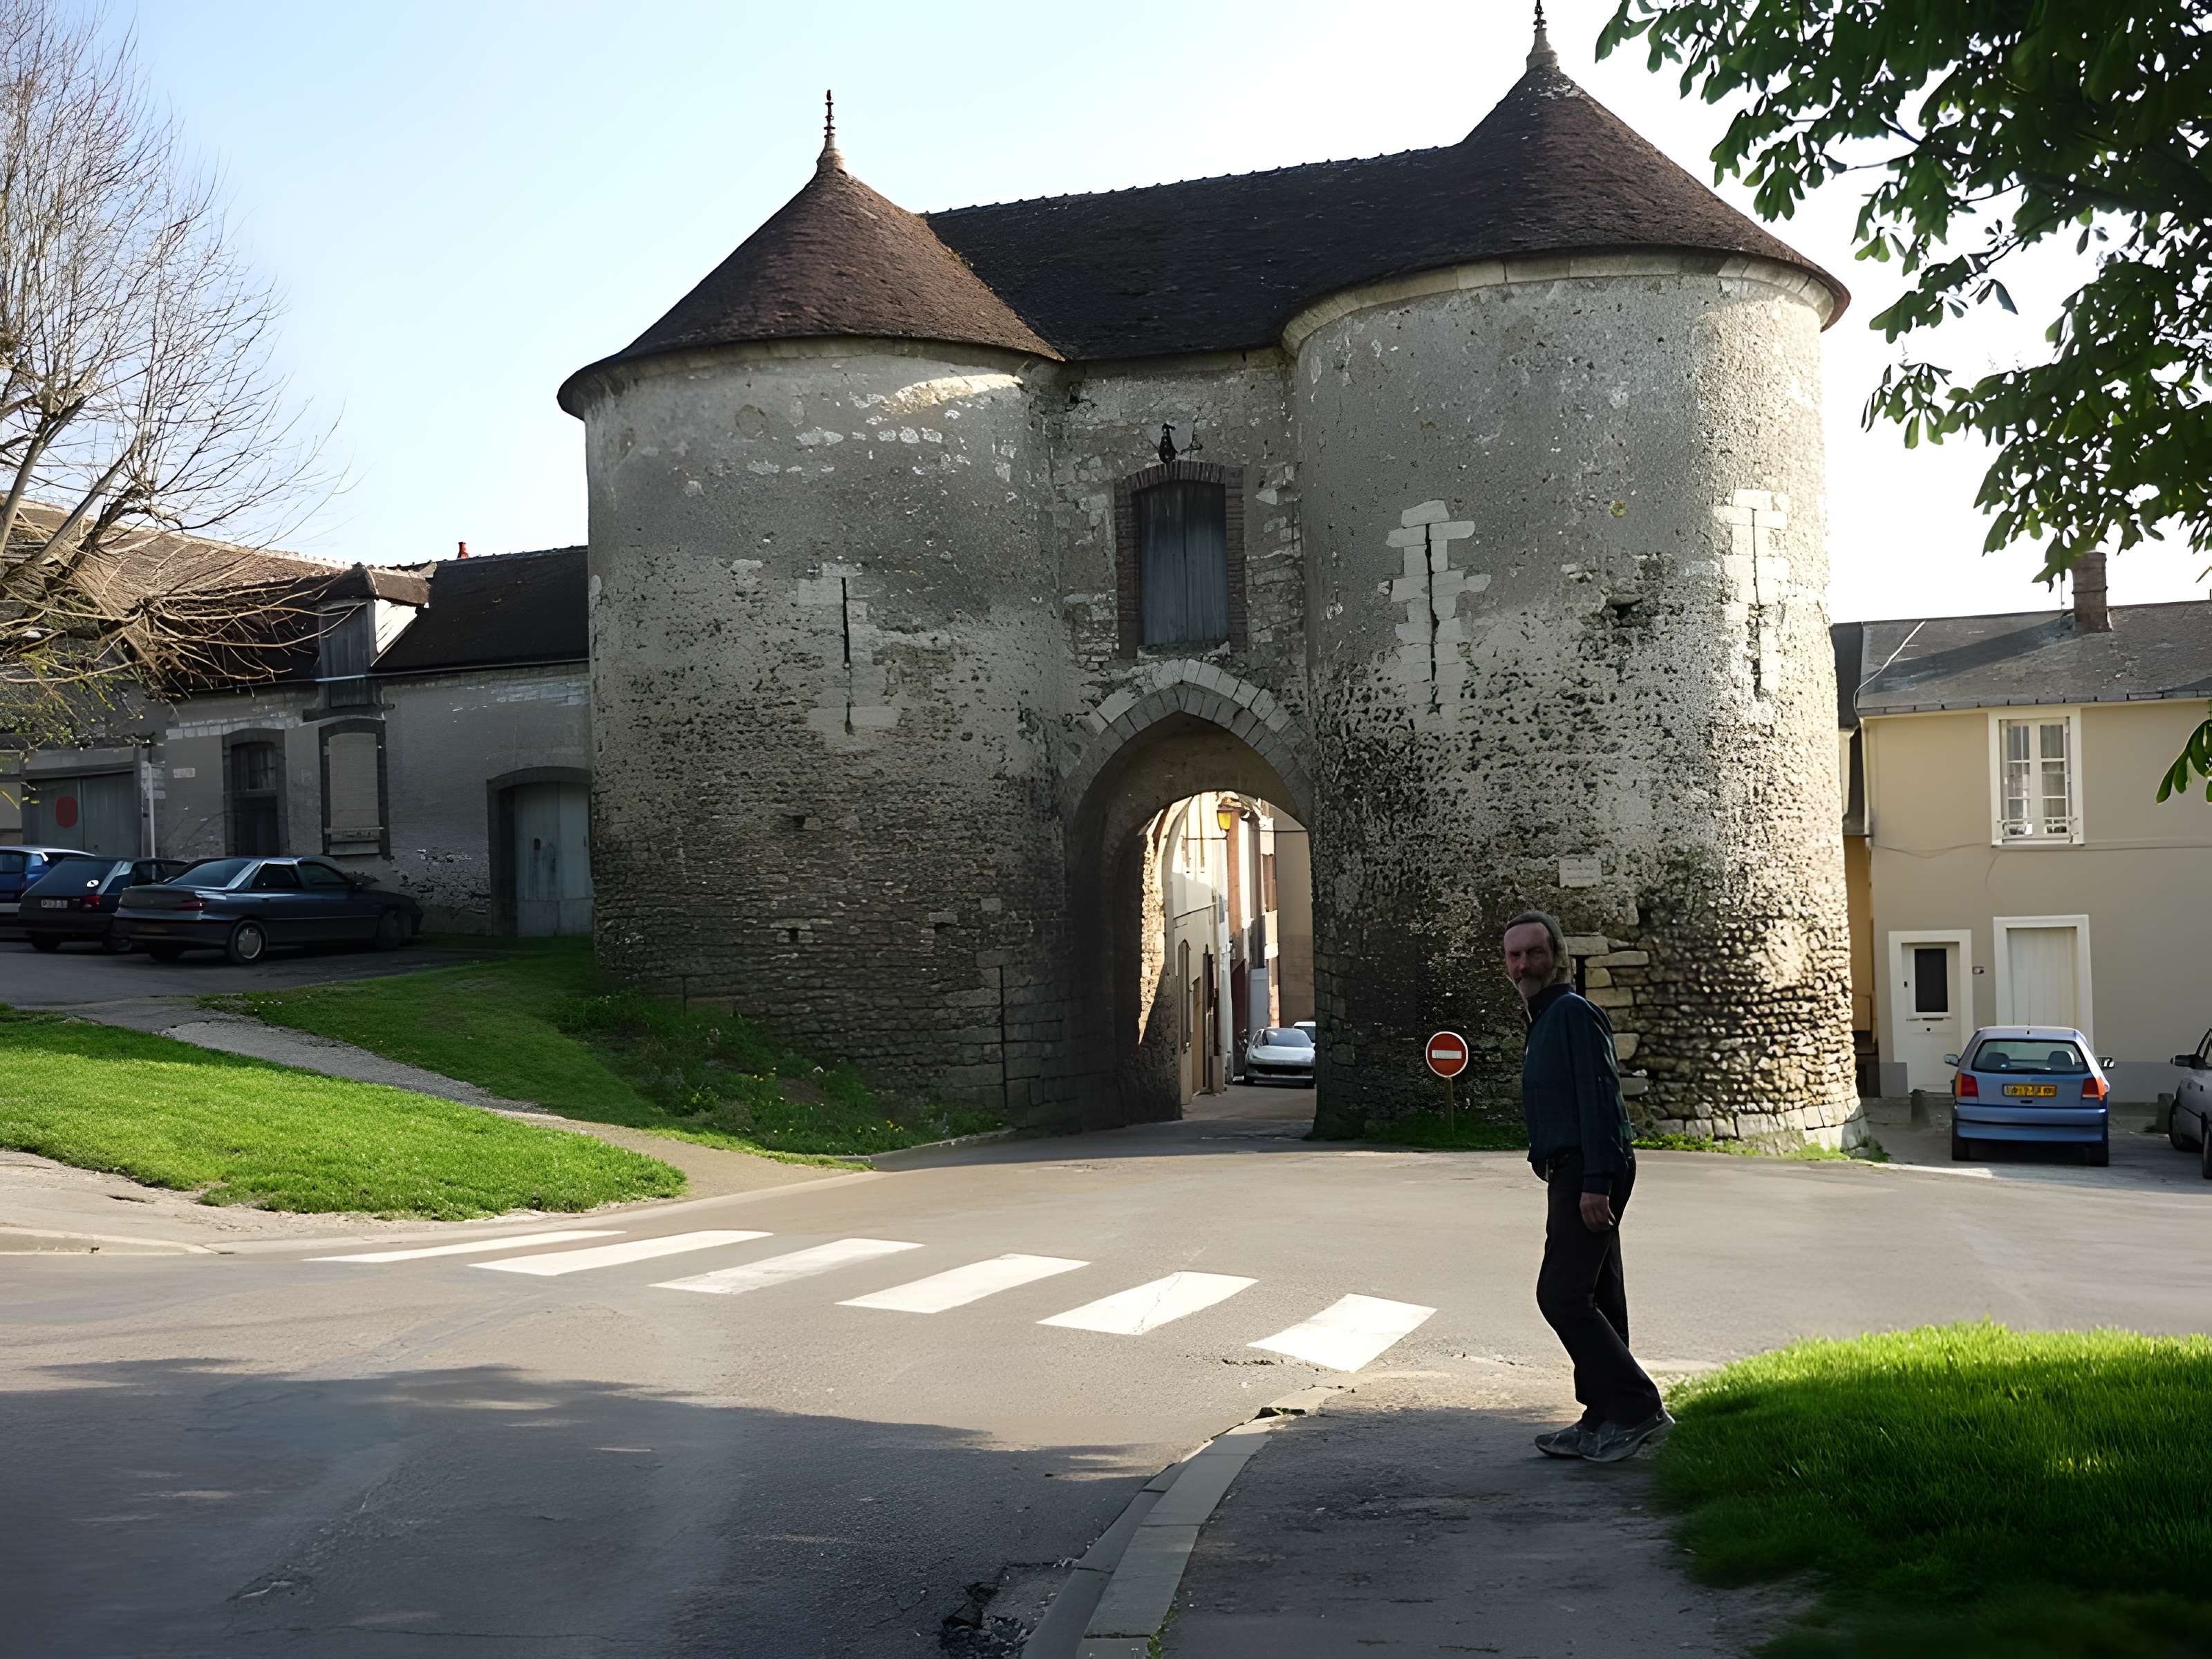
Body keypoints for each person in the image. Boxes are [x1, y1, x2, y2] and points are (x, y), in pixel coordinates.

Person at [1503, 910, 1671, 1463]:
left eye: (1534, 953)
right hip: (1573, 1168)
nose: (1524, 964)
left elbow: (1601, 1098)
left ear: (1558, 958)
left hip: (1591, 1169)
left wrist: (1594, 1183)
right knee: (1599, 1294)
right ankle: (1601, 1416)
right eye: (1514, 955)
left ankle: (1638, 1408)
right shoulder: (1544, 1017)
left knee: (1561, 1295)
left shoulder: (1571, 1013)